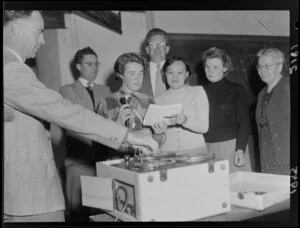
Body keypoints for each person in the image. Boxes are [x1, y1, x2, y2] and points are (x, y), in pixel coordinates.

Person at [3, 10, 158, 222]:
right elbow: (62, 110)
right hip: (29, 193)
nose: (43, 39)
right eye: (38, 32)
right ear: (16, 29)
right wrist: (128, 135)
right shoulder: (10, 68)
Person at [58, 47, 111, 221]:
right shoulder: (67, 91)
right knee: (78, 212)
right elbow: (75, 123)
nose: (94, 67)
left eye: (96, 63)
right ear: (78, 67)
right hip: (79, 159)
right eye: (89, 63)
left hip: (104, 159)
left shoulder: (105, 90)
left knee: (105, 209)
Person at [97, 52, 165, 158]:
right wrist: (117, 125)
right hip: (121, 164)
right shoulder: (107, 102)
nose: (138, 78)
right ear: (121, 75)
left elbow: (158, 143)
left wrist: (158, 133)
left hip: (148, 162)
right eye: (132, 73)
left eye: (141, 73)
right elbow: (100, 144)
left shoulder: (149, 101)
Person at [202, 47, 252, 173]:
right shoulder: (200, 91)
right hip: (207, 148)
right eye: (207, 67)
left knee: (238, 189)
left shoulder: (236, 89)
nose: (210, 71)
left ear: (225, 68)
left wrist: (240, 149)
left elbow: (244, 123)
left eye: (215, 67)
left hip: (232, 147)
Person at [153, 56, 209, 155]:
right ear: (164, 74)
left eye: (179, 73)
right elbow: (157, 139)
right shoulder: (158, 100)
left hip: (196, 153)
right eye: (170, 73)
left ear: (186, 74)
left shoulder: (197, 92)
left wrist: (185, 120)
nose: (175, 77)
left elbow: (204, 127)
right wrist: (158, 133)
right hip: (167, 155)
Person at [255, 48, 290, 175]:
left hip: (287, 158)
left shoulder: (288, 87)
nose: (262, 70)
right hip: (268, 157)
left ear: (279, 67)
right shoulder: (262, 94)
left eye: (267, 66)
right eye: (259, 66)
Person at [139, 28, 170, 98]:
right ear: (147, 49)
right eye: (153, 45)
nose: (157, 49)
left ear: (167, 49)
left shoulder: (179, 71)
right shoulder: (139, 73)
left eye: (162, 44)